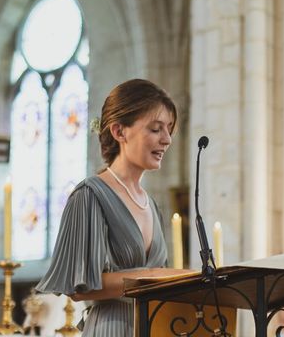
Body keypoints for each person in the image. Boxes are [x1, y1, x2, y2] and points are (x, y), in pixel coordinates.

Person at [36, 79, 187, 336]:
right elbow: (79, 288)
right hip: (111, 328)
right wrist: (155, 275)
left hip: (154, 327)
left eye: (168, 130)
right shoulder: (89, 195)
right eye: (155, 129)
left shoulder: (151, 204)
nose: (167, 139)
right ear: (119, 132)